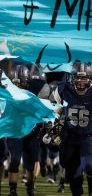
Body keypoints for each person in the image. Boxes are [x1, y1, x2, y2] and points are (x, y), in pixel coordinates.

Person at [50, 61, 92, 196]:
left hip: (88, 136)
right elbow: (53, 113)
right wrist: (51, 132)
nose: (80, 81)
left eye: (84, 77)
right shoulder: (63, 90)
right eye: (78, 77)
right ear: (72, 77)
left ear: (89, 79)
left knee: (90, 166)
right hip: (70, 137)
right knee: (73, 176)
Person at [6, 64, 49, 196]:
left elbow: (46, 105)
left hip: (32, 131)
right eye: (17, 83)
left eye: (23, 82)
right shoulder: (7, 90)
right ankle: (12, 190)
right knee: (15, 159)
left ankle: (30, 187)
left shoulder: (36, 89)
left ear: (28, 81)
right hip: (15, 131)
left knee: (31, 162)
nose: (20, 85)